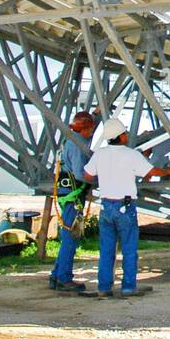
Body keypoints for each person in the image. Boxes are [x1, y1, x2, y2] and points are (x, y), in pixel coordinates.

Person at [82, 117, 170, 297]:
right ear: (120, 136)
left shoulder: (100, 154)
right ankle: (128, 287)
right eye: (125, 133)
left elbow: (87, 175)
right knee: (128, 249)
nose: (127, 135)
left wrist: (107, 176)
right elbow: (151, 172)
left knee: (106, 250)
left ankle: (104, 288)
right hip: (125, 207)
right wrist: (168, 171)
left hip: (106, 207)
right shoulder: (131, 155)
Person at [49, 110, 98, 293]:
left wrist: (97, 114)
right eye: (90, 128)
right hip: (74, 196)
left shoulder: (71, 140)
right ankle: (64, 278)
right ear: (84, 129)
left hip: (68, 195)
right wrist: (98, 179)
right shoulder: (77, 147)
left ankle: (57, 274)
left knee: (68, 236)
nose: (92, 132)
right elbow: (80, 174)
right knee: (70, 237)